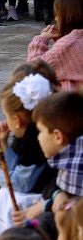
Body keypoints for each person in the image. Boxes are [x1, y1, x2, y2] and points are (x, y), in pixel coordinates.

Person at [0, 67, 58, 240]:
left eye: (6, 115)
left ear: (17, 120)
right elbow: (19, 170)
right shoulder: (28, 136)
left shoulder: (35, 141)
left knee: (4, 199)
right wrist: (3, 145)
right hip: (41, 196)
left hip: (39, 200)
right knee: (3, 197)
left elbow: (21, 184)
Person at [25, 92, 83, 220]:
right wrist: (57, 194)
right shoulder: (68, 158)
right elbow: (52, 186)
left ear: (58, 136)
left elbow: (75, 214)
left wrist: (47, 206)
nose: (38, 137)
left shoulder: (77, 167)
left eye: (40, 131)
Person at [27, 0, 83, 89]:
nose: (56, 19)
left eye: (57, 13)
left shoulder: (68, 44)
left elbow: (34, 69)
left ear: (67, 15)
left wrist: (40, 40)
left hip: (72, 101)